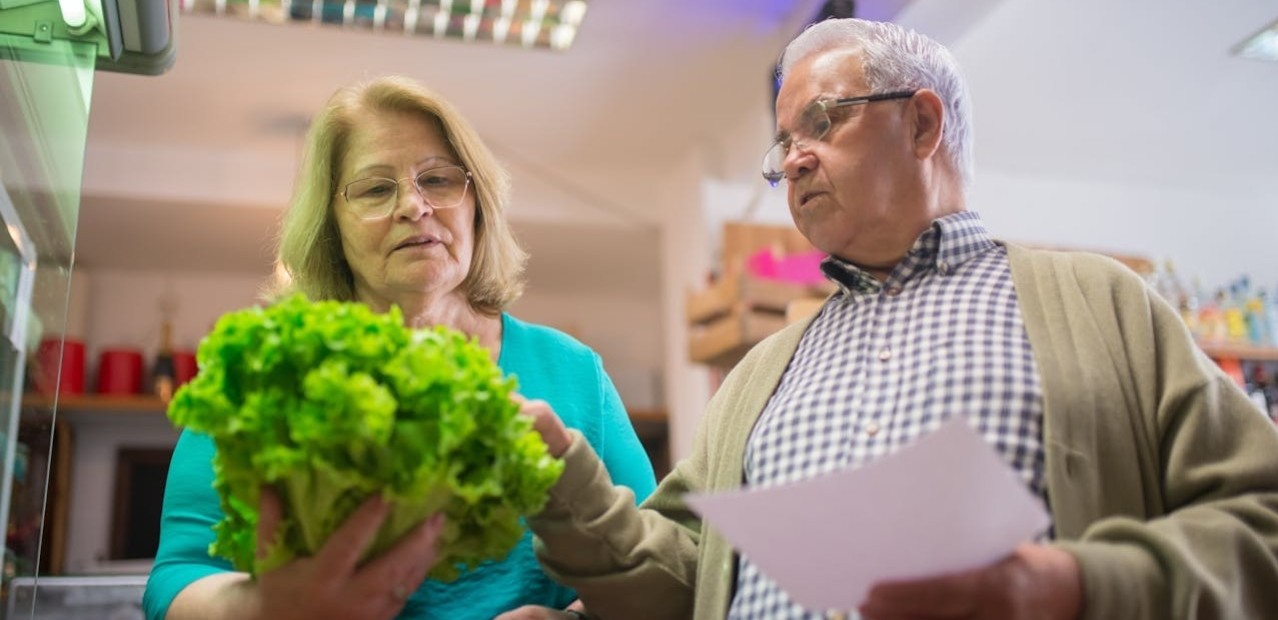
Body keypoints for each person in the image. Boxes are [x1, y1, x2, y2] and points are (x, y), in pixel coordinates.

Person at [521, 17, 1278, 620]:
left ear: (921, 124)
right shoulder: (758, 378)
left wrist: (1079, 584)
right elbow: (690, 579)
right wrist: (569, 491)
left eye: (820, 122)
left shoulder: (1102, 306)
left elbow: (1260, 517)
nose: (791, 159)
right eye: (784, 141)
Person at [142, 75, 657, 620]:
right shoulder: (266, 376)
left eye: (436, 179)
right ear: (331, 226)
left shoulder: (573, 373)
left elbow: (659, 560)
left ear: (476, 204)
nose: (413, 205)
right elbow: (176, 580)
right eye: (374, 189)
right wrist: (261, 607)